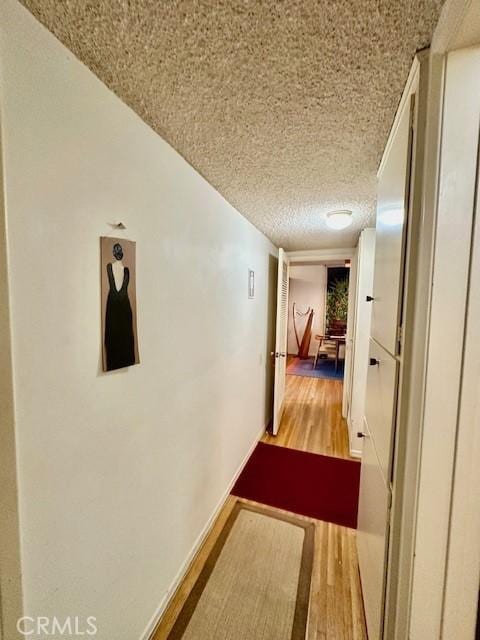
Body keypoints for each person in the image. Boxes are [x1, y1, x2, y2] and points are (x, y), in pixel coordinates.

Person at [104, 242, 135, 370]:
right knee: (119, 337)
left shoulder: (111, 267)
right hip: (123, 307)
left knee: (117, 337)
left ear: (113, 253)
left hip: (114, 306)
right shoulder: (119, 269)